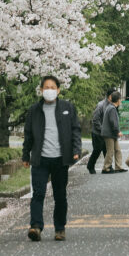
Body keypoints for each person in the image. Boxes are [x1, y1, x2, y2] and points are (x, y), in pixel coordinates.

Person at [21, 75, 82, 242]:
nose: (49, 90)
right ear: (41, 90)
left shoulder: (67, 107)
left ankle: (60, 228)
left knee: (60, 195)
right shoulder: (34, 110)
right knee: (38, 193)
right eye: (46, 88)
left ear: (58, 90)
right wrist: (26, 154)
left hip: (60, 159)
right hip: (40, 158)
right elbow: (28, 134)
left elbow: (75, 130)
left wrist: (76, 149)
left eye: (52, 87)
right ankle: (35, 226)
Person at [101, 91, 126, 173]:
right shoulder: (112, 108)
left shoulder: (111, 107)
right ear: (118, 100)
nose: (121, 101)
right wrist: (118, 131)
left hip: (112, 134)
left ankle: (118, 167)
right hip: (109, 134)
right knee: (110, 151)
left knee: (117, 150)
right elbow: (113, 122)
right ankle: (106, 168)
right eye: (120, 99)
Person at [87, 92, 111, 174]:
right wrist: (102, 129)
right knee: (97, 150)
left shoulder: (111, 105)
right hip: (97, 132)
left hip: (106, 132)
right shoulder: (101, 105)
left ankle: (107, 167)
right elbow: (95, 119)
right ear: (109, 96)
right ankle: (90, 166)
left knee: (106, 149)